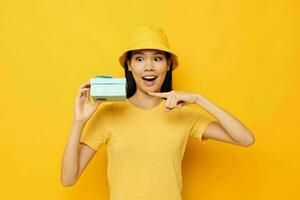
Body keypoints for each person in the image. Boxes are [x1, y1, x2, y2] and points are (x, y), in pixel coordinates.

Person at [61, 26, 255, 200]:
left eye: (157, 58)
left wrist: (198, 99)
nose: (149, 67)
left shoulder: (184, 115)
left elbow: (245, 139)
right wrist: (79, 121)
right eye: (139, 58)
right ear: (128, 65)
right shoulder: (108, 114)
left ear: (168, 65)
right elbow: (68, 179)